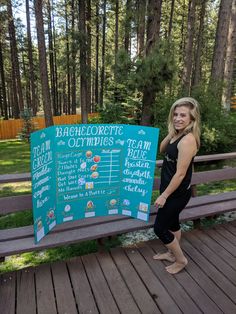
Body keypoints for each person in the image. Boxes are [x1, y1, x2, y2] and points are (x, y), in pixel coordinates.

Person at [153, 97, 201, 274]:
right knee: (173, 224)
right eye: (175, 114)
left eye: (183, 115)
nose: (178, 118)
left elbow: (180, 174)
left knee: (159, 228)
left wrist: (164, 195)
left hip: (176, 193)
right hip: (170, 189)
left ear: (192, 119)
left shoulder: (188, 140)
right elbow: (162, 149)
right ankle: (172, 253)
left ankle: (181, 260)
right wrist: (173, 131)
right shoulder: (178, 135)